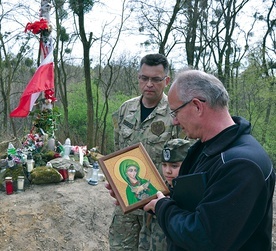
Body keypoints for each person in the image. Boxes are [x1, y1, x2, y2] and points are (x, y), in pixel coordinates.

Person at [143, 69, 275, 250]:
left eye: (175, 112)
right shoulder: (207, 148)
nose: (174, 121)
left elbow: (204, 238)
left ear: (197, 106)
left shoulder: (242, 164)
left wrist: (163, 207)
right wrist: (147, 196)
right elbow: (197, 203)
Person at [109, 53, 181, 250]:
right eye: (144, 78)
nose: (149, 84)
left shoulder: (175, 113)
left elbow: (182, 163)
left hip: (158, 204)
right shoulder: (125, 109)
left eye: (156, 79)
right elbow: (117, 152)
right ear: (138, 78)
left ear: (166, 81)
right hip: (128, 203)